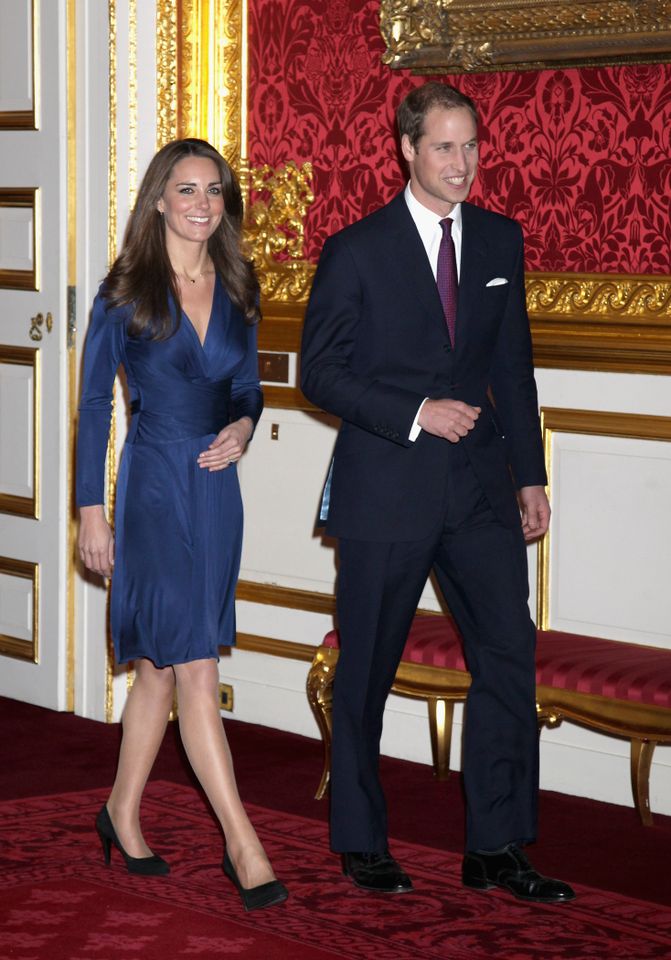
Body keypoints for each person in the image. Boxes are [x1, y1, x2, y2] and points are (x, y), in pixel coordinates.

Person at [300, 83, 575, 904]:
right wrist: (414, 412)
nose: (462, 163)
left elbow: (512, 368)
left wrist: (530, 474)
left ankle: (496, 845)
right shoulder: (356, 250)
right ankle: (361, 841)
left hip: (481, 490)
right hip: (386, 486)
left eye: (471, 146)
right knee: (367, 669)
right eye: (444, 148)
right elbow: (319, 373)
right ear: (407, 150)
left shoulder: (498, 239)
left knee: (507, 654)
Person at [77, 137, 288, 912]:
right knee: (196, 664)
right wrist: (90, 512)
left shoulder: (236, 283)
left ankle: (120, 812)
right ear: (159, 201)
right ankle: (243, 844)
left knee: (160, 669)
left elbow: (246, 387)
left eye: (213, 190)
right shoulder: (125, 292)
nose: (202, 203)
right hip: (156, 490)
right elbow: (94, 405)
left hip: (216, 490)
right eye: (187, 189)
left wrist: (242, 426)